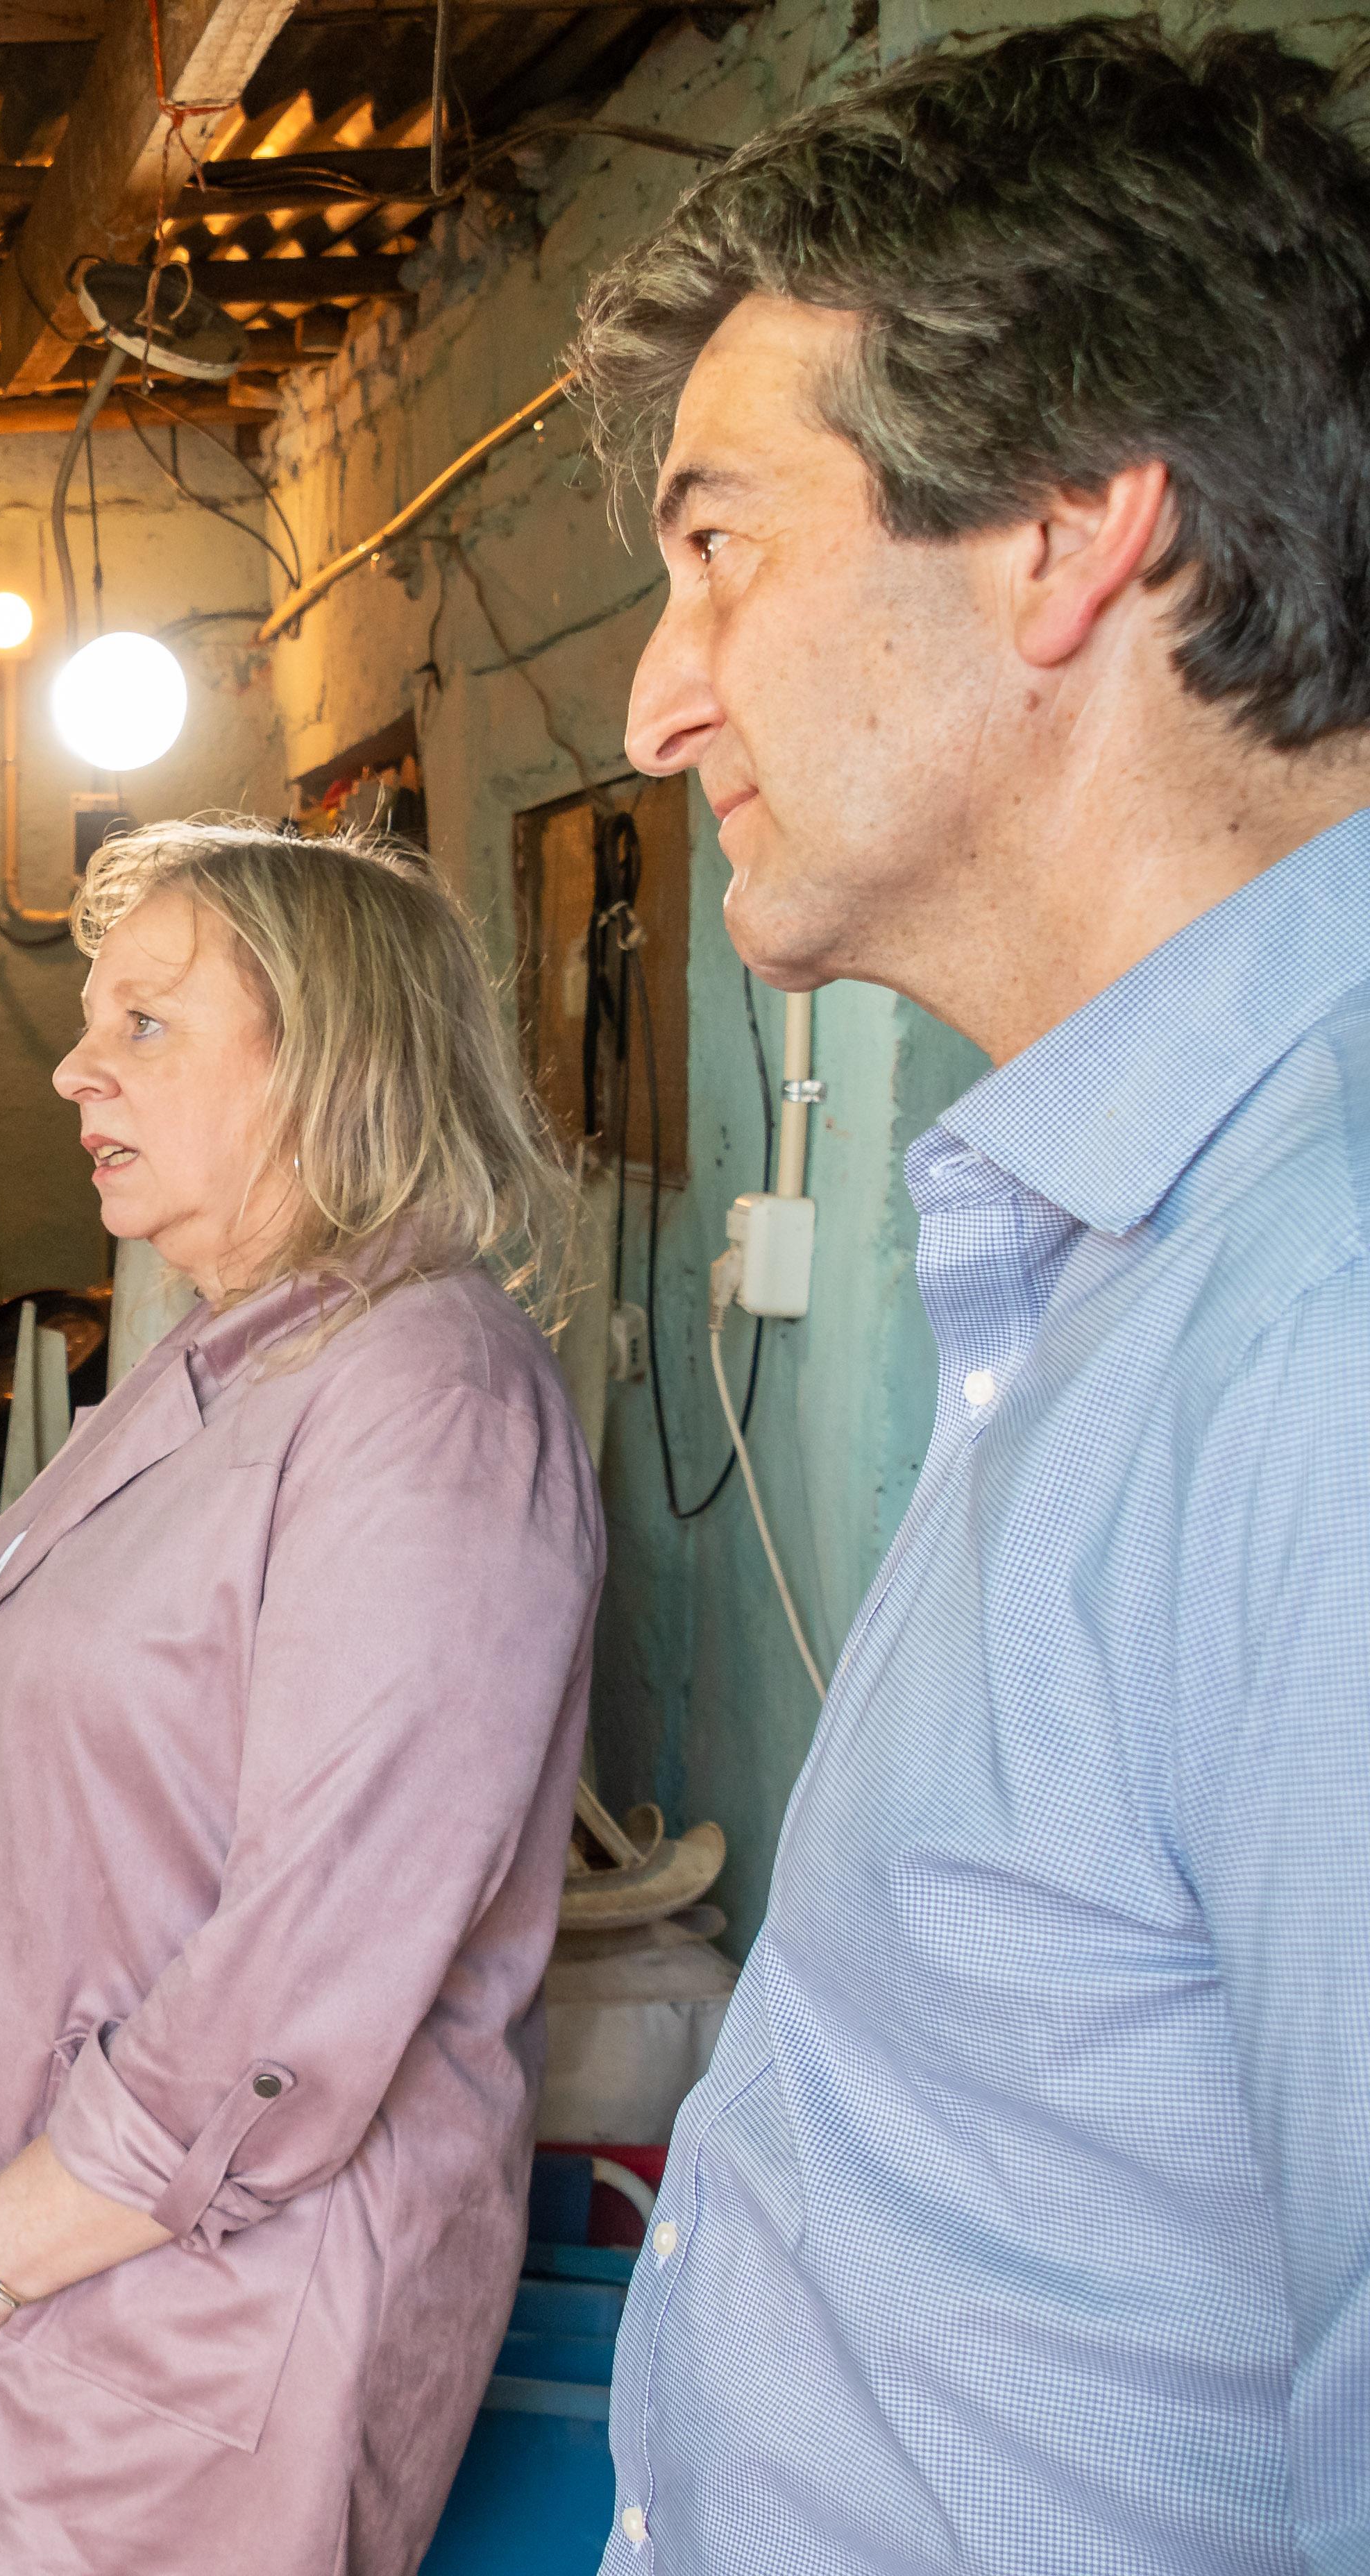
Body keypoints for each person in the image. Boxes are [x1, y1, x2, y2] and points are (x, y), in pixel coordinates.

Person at [566, 22, 1370, 2570]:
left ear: (1059, 535)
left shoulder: (1325, 1330)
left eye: (719, 547)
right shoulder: (1128, 1237)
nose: (649, 692)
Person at [0, 822, 600, 2575]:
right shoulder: (226, 1341)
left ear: (330, 1052)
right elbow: (1, 1779)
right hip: (79, 2241)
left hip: (225, 2314)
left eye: (149, 1022)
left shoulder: (431, 1400)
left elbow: (304, 1972)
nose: (73, 1062)